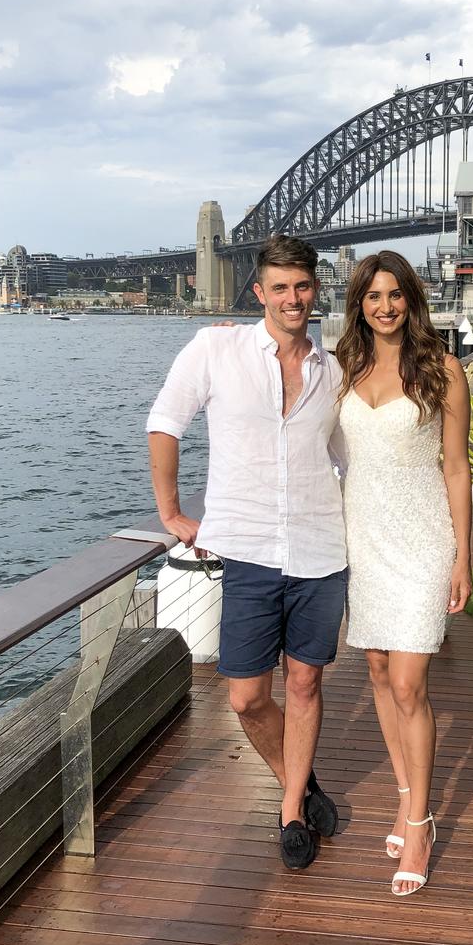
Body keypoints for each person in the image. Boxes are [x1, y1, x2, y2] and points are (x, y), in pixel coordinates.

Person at [146, 235, 347, 871]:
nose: (293, 298)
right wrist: (172, 513)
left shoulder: (335, 369)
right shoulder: (217, 347)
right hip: (250, 550)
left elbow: (347, 459)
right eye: (280, 287)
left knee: (307, 680)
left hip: (321, 545)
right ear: (259, 292)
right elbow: (165, 422)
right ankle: (303, 780)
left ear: (316, 289)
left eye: (303, 286)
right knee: (244, 697)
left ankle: (290, 811)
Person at [336, 250, 473, 897]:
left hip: (421, 544)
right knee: (376, 671)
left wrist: (464, 555)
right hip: (363, 541)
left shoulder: (442, 371)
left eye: (394, 295)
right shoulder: (344, 368)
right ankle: (404, 791)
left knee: (410, 681)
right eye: (373, 296)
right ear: (359, 304)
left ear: (410, 300)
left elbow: (455, 469)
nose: (384, 306)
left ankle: (420, 823)